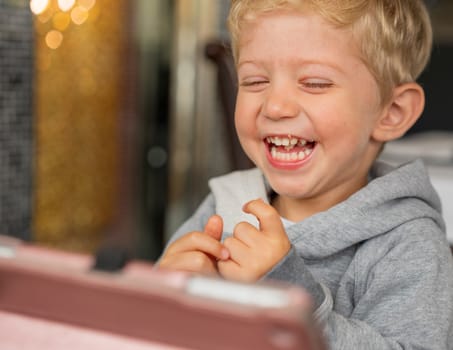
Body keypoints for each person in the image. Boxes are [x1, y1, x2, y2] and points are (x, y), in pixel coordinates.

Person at [157, 0, 453, 348]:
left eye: (313, 83)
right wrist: (166, 297)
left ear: (391, 112)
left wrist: (287, 296)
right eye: (254, 81)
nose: (275, 106)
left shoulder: (408, 244)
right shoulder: (225, 205)